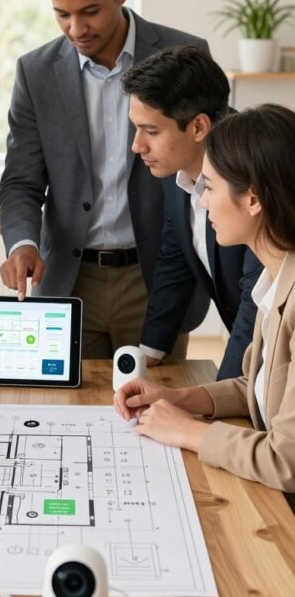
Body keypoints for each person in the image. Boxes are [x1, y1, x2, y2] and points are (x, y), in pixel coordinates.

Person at [0, 0, 210, 357]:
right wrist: (22, 242)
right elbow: (21, 180)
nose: (76, 28)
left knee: (155, 415)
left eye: (90, 11)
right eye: (61, 14)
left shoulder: (185, 54)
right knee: (68, 417)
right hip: (68, 282)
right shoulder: (35, 73)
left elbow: (207, 166)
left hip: (156, 278)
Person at [115, 104, 295, 493]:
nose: (201, 202)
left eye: (210, 188)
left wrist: (189, 432)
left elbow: (286, 459)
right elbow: (261, 385)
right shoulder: (275, 278)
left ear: (253, 199)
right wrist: (180, 398)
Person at [122, 46, 262, 379]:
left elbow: (255, 305)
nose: (137, 146)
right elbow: (175, 260)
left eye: (151, 131)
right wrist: (149, 353)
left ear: (199, 127)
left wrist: (220, 400)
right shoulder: (177, 173)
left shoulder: (255, 183)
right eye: (136, 128)